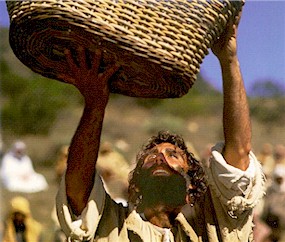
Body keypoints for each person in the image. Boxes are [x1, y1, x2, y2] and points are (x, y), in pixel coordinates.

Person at [56, 11, 265, 242]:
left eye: (173, 154)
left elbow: (239, 154)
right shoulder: (112, 226)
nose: (160, 157)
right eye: (152, 155)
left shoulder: (210, 231)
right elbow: (77, 189)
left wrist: (229, 59)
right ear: (134, 185)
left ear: (192, 189)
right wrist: (95, 104)